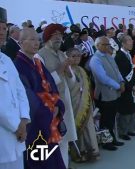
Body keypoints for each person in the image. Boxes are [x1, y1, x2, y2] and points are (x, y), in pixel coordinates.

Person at [14, 28, 66, 169]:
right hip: (36, 122)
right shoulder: (18, 65)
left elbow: (51, 85)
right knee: (40, 161)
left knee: (52, 157)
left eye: (37, 39)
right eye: (31, 39)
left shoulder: (37, 62)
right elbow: (26, 95)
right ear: (21, 42)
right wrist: (49, 110)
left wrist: (57, 104)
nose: (36, 43)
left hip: (49, 116)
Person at [38, 24, 77, 168]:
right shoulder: (40, 56)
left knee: (64, 141)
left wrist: (68, 71)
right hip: (50, 106)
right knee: (53, 142)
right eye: (55, 35)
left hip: (64, 102)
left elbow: (71, 81)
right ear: (47, 37)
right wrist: (60, 69)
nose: (58, 38)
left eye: (60, 35)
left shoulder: (62, 54)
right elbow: (42, 84)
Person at [0, 7, 30, 169]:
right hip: (4, 136)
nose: (2, 32)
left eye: (4, 28)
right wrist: (17, 126)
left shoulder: (6, 59)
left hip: (18, 134)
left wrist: (24, 119)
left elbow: (20, 91)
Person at [89, 36, 125, 151]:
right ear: (97, 46)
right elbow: (102, 78)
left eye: (108, 44)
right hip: (104, 94)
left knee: (111, 117)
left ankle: (112, 138)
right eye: (104, 44)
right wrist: (118, 86)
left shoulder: (109, 56)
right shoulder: (95, 59)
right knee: (105, 119)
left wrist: (122, 81)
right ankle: (106, 142)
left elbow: (117, 71)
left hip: (114, 92)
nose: (107, 46)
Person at [66, 48, 100, 162]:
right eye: (73, 56)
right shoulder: (66, 70)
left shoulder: (82, 70)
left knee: (88, 128)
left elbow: (87, 87)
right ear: (67, 57)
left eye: (78, 56)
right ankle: (79, 153)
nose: (76, 58)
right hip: (73, 104)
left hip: (85, 104)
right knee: (77, 128)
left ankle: (92, 152)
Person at [114, 35, 135, 141]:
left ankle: (130, 129)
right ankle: (122, 131)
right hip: (125, 87)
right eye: (129, 41)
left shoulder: (129, 54)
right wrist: (130, 86)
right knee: (125, 109)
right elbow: (121, 74)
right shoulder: (119, 56)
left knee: (132, 107)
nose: (132, 42)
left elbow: (133, 71)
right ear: (123, 43)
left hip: (132, 85)